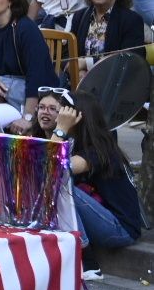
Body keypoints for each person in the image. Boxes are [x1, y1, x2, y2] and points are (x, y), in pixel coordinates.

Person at [45, 89, 145, 278]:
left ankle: (88, 261)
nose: (59, 115)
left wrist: (60, 129)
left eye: (64, 111)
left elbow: (53, 167)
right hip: (103, 220)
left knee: (62, 187)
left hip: (120, 230)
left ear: (78, 116)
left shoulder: (99, 150)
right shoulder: (78, 143)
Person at [0, 0, 58, 132]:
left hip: (28, 102)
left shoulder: (25, 29)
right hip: (3, 97)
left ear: (11, 0)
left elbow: (37, 76)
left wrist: (28, 117)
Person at [68, 0, 144, 67]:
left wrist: (87, 64)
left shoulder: (132, 20)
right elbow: (68, 56)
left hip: (114, 81)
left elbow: (130, 59)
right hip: (79, 80)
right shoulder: (79, 16)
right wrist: (78, 72)